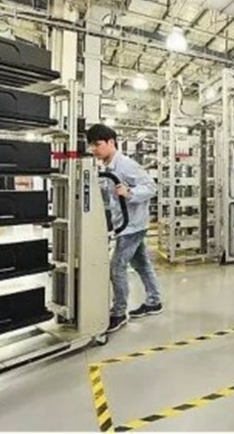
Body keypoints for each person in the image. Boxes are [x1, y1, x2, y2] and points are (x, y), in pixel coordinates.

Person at [87, 124, 164, 333]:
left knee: (117, 267)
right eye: (91, 145)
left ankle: (119, 312)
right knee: (142, 264)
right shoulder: (108, 166)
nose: (93, 149)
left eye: (97, 144)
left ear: (111, 142)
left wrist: (130, 193)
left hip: (132, 226)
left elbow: (151, 187)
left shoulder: (126, 165)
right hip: (126, 225)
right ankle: (154, 301)